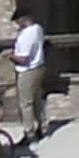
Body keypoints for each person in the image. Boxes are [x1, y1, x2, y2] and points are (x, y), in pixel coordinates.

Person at [12, 14, 51, 143]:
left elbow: (23, 59)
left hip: (27, 71)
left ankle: (30, 133)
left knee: (26, 103)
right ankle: (42, 127)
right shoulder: (38, 29)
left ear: (23, 19)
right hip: (39, 67)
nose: (17, 24)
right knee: (37, 100)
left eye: (18, 21)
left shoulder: (26, 35)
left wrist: (9, 56)